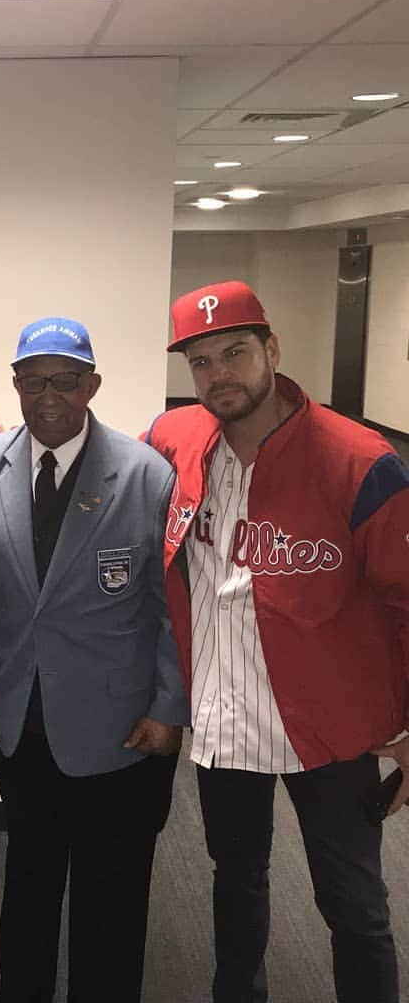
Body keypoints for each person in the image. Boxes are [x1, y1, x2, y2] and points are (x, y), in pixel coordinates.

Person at [145, 279, 409, 1003]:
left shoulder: (361, 462)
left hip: (329, 722)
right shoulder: (175, 442)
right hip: (224, 715)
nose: (218, 374)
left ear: (272, 349)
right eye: (201, 362)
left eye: (234, 352)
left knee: (352, 903)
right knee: (236, 877)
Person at [0, 317, 186, 1003]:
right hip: (21, 719)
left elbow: (173, 604)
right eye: (32, 380)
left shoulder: (147, 474)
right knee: (27, 881)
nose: (48, 394)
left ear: (92, 384)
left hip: (120, 725)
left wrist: (168, 706)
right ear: (15, 386)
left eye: (64, 379)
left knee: (111, 898)